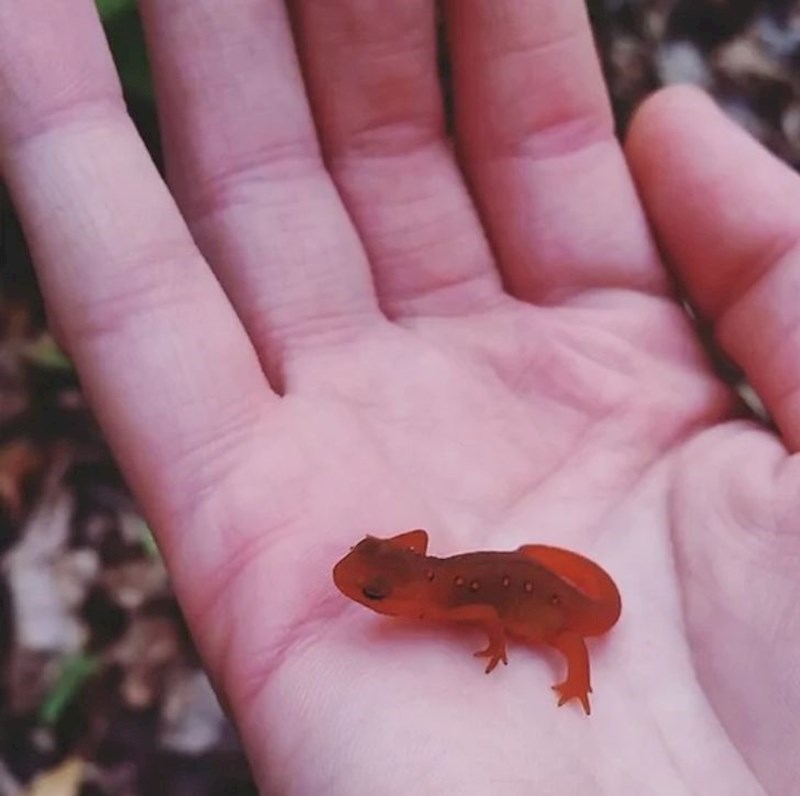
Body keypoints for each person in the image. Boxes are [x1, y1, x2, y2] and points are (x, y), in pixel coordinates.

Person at [1, 1, 797, 793]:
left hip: (560, 605)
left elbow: (489, 615)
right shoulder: (427, 575)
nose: (360, 593)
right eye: (371, 577)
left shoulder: (450, 604)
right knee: (520, 572)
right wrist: (398, 550)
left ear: (408, 600)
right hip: (512, 569)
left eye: (372, 587)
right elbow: (416, 544)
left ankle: (574, 671)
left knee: (554, 623)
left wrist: (535, 661)